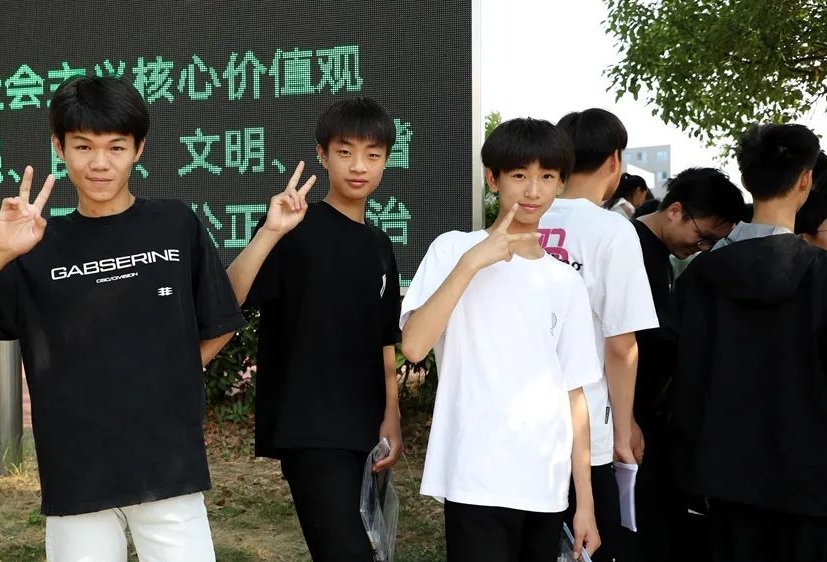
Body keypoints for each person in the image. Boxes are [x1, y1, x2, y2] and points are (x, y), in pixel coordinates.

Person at [0, 75, 245, 561]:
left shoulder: (176, 223)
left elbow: (219, 320)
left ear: (138, 149)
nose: (99, 163)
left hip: (168, 466)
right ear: (60, 147)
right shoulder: (34, 246)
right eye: (83, 146)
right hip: (76, 473)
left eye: (116, 147)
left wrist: (171, 375)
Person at [400, 118, 601, 562]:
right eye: (519, 175)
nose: (533, 190)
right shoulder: (453, 250)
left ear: (561, 184)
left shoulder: (565, 281)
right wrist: (472, 263)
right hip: (476, 476)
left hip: (546, 482)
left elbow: (574, 394)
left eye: (547, 177)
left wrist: (584, 503)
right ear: (492, 179)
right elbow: (413, 346)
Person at [225, 97, 402, 562]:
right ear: (322, 155)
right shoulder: (294, 228)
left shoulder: (380, 245)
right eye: (345, 152)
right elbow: (229, 299)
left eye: (372, 154)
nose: (358, 166)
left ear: (386, 160)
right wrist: (270, 232)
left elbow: (385, 338)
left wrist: (392, 416)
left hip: (366, 428)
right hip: (310, 428)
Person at [668, 123, 827, 561]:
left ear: (745, 179)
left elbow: (683, 380)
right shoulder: (820, 276)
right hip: (809, 480)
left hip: (721, 479)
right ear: (805, 180)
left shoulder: (700, 277)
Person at [540, 108, 658, 562]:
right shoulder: (613, 231)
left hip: (520, 424)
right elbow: (621, 345)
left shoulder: (524, 218)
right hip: (586, 427)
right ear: (614, 161)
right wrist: (624, 430)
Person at [628, 167, 746, 562]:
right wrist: (627, 418)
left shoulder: (658, 254)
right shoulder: (631, 249)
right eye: (704, 236)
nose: (704, 248)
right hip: (624, 419)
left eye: (714, 242)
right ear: (675, 210)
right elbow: (624, 344)